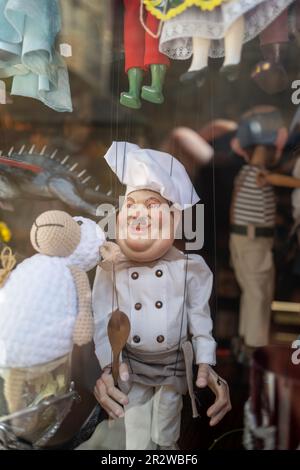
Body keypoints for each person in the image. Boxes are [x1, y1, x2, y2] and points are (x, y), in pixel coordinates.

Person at [92, 141, 231, 450]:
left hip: (173, 365)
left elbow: (199, 319)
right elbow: (101, 317)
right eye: (131, 205)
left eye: (153, 206)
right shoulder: (110, 268)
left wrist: (206, 360)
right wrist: (107, 363)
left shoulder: (189, 268)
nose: (139, 214)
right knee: (136, 429)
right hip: (133, 364)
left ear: (175, 219)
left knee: (167, 427)